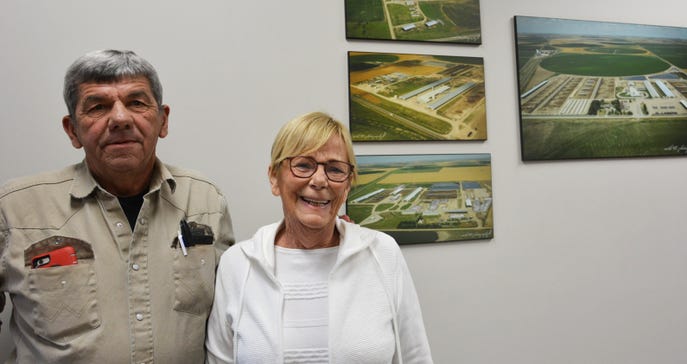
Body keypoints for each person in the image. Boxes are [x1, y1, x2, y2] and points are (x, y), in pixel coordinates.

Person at [0, 49, 235, 363]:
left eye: (137, 103)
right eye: (98, 107)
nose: (121, 118)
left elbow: (229, 322)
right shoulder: (15, 209)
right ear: (73, 130)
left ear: (163, 120)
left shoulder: (205, 201)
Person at [205, 112, 433, 363]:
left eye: (335, 169)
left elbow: (414, 357)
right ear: (274, 178)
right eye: (303, 165)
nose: (319, 180)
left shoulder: (382, 254)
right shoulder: (238, 265)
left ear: (346, 187)